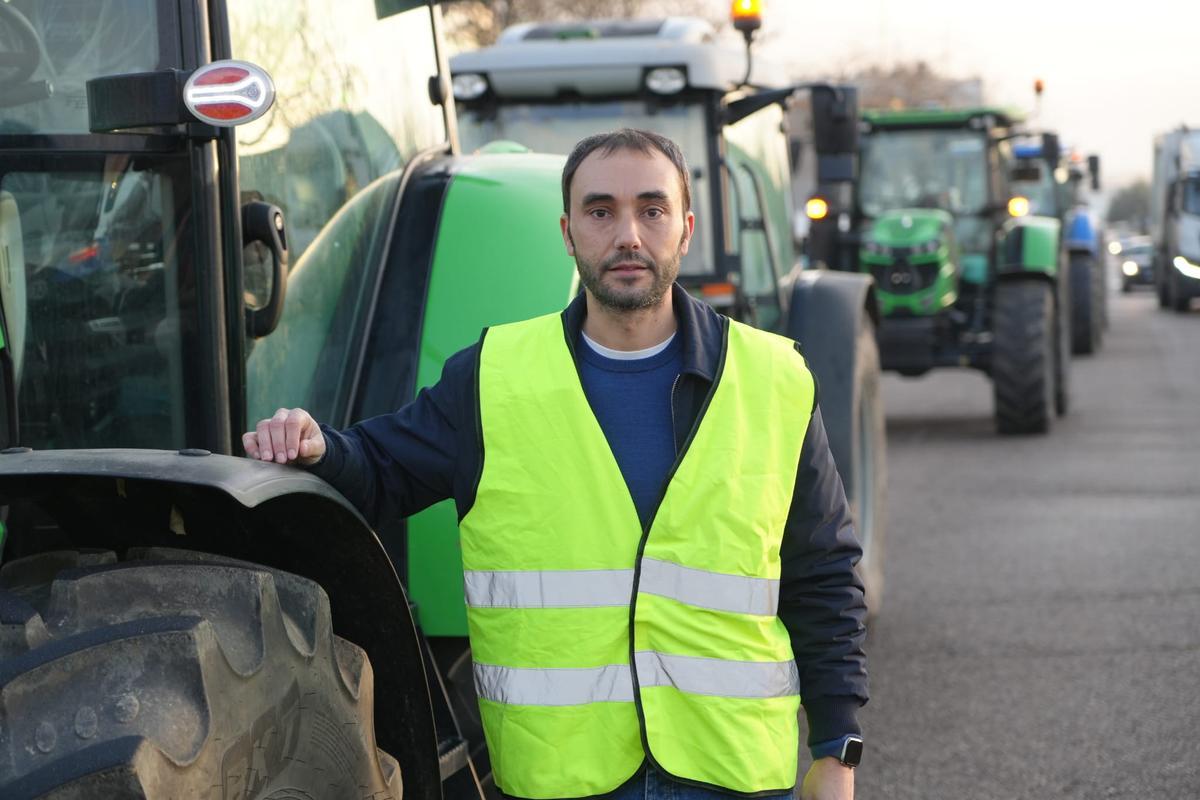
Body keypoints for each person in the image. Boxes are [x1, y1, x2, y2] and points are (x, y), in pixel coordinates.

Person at [243, 129, 868, 800]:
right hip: (564, 778)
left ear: (685, 229)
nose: (628, 233)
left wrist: (838, 749)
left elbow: (822, 573)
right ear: (568, 233)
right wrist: (317, 445)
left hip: (733, 774)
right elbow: (380, 467)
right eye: (601, 212)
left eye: (651, 210)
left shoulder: (773, 379)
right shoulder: (492, 379)